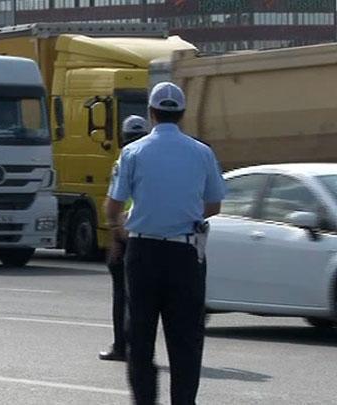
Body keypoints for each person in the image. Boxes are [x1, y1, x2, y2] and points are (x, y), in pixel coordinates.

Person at [105, 82, 226, 405]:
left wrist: (118, 225)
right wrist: (182, 211)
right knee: (186, 339)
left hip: (144, 252)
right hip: (185, 253)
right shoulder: (202, 152)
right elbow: (214, 205)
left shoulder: (133, 151)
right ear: (182, 114)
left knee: (140, 338)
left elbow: (113, 205)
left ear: (151, 113)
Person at [99, 115, 149, 362]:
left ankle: (122, 346)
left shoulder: (125, 159)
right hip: (147, 236)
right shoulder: (152, 160)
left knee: (122, 297)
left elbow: (114, 203)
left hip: (125, 235)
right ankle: (139, 346)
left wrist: (115, 238)